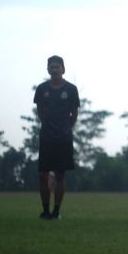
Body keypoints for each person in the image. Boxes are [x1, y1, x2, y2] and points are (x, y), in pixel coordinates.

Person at [34, 55, 80, 220]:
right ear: (48, 69)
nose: (54, 70)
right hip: (46, 137)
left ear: (63, 69)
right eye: (51, 67)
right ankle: (45, 211)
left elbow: (74, 113)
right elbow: (40, 110)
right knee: (43, 175)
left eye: (57, 67)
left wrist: (67, 127)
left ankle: (56, 211)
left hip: (63, 138)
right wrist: (47, 124)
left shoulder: (71, 89)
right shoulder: (41, 89)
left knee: (60, 175)